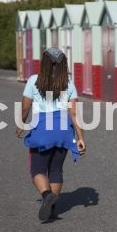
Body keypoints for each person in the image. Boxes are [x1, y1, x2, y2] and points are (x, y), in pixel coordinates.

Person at [16, 48, 86, 222]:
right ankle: (52, 209)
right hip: (63, 130)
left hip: (42, 130)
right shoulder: (69, 84)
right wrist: (80, 138)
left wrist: (21, 123)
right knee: (56, 169)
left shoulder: (34, 81)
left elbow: (25, 107)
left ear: (44, 63)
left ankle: (47, 196)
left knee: (37, 169)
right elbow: (75, 114)